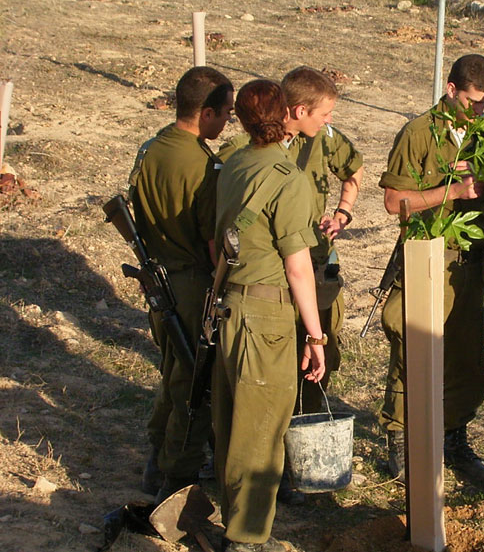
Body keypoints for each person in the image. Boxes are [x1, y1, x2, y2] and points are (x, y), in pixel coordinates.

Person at [378, 54, 484, 485]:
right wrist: (454, 190)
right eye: (471, 102)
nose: (478, 111)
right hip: (427, 255)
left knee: (466, 353)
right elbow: (393, 200)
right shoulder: (419, 133)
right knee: (411, 345)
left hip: (471, 261)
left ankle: (453, 436)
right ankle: (400, 437)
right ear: (450, 89)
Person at [212, 78, 326, 552]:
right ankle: (247, 537)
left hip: (229, 304)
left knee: (233, 419)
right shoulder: (286, 178)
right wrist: (316, 337)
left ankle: (236, 516)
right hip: (267, 315)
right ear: (285, 117)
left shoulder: (234, 164)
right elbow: (298, 268)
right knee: (261, 429)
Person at [218, 66, 364, 416]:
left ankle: (308, 421)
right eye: (325, 113)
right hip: (271, 276)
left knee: (318, 359)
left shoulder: (325, 138)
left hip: (313, 263)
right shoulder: (245, 148)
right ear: (300, 111)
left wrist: (342, 213)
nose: (329, 120)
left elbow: (355, 171)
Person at [128, 66, 234, 504]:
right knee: (195, 386)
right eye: (225, 112)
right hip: (192, 286)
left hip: (159, 282)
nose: (228, 120)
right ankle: (176, 476)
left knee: (174, 371)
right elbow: (213, 245)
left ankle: (157, 456)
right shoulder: (205, 166)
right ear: (206, 113)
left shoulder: (151, 148)